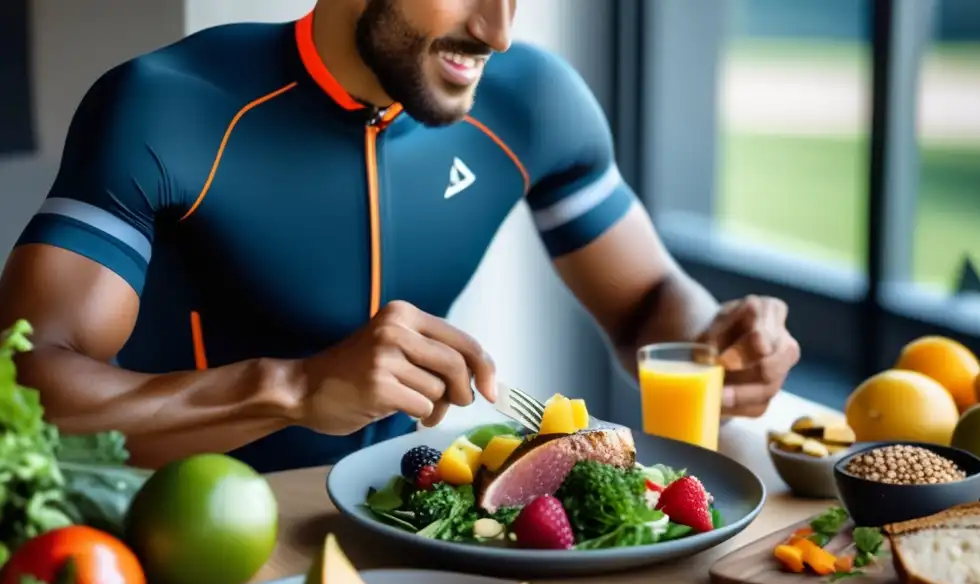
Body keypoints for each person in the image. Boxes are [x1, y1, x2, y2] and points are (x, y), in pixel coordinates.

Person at [0, 0, 800, 474]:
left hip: (411, 531)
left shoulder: (536, 102)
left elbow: (647, 305)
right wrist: (295, 390)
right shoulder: (168, 104)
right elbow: (26, 393)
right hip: (181, 551)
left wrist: (712, 340)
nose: (498, 30)